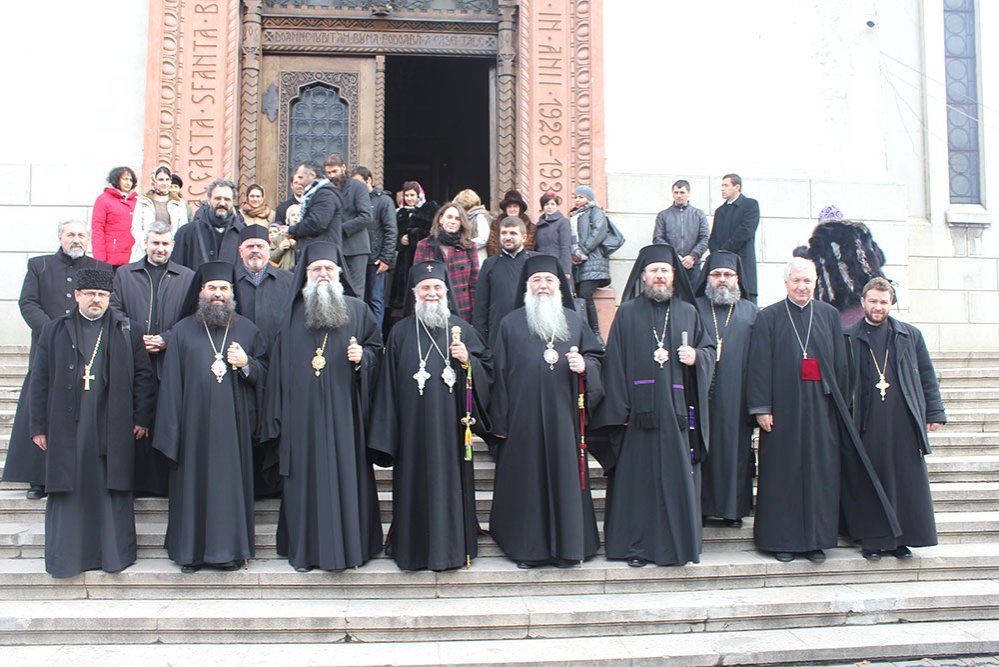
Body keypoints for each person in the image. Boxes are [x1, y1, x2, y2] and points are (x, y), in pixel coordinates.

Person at [747, 257, 899, 563]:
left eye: (807, 281)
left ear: (816, 283)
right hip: (782, 409)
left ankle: (816, 540)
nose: (802, 287)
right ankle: (782, 540)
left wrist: (840, 404)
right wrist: (761, 407)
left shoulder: (829, 315)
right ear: (786, 283)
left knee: (820, 475)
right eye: (796, 281)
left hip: (822, 408)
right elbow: (759, 365)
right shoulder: (769, 316)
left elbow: (841, 365)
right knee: (783, 474)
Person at [260, 243, 383, 572]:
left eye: (329, 269)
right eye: (317, 269)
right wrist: (278, 421)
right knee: (304, 486)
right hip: (301, 422)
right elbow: (276, 372)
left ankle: (352, 550)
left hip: (346, 419)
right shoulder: (290, 318)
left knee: (347, 480)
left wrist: (364, 360)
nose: (324, 274)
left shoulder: (357, 311)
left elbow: (378, 353)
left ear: (340, 274)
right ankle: (306, 552)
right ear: (306, 276)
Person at [28, 268, 156, 578]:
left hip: (113, 424)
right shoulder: (54, 330)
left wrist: (141, 417)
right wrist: (37, 426)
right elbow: (39, 378)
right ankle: (69, 556)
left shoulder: (128, 329)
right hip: (66, 425)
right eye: (89, 294)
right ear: (77, 296)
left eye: (102, 295)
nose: (96, 300)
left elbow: (144, 377)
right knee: (69, 487)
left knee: (109, 487)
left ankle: (112, 554)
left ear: (110, 298)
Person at [592, 245, 714, 567]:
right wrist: (622, 412)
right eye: (653, 270)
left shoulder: (688, 312)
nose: (659, 275)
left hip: (675, 418)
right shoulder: (628, 312)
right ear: (643, 275)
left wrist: (697, 358)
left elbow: (709, 351)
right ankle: (636, 548)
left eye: (665, 270)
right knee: (638, 486)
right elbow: (613, 363)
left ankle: (675, 548)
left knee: (675, 485)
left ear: (674, 276)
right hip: (637, 419)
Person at [368, 261, 492, 571]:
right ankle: (412, 552)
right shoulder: (399, 332)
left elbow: (488, 372)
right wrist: (389, 435)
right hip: (412, 433)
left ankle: (452, 551)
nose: (432, 293)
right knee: (413, 487)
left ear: (446, 292)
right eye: (425, 288)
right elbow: (386, 386)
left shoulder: (462, 329)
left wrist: (468, 363)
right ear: (414, 294)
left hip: (451, 432)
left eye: (437, 287)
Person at [489, 254, 604, 568]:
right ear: (527, 287)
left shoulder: (575, 320)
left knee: (566, 478)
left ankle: (569, 547)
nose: (543, 286)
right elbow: (497, 374)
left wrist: (586, 367)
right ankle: (527, 549)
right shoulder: (510, 323)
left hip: (564, 419)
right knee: (526, 482)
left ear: (560, 285)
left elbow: (597, 360)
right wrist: (500, 422)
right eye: (536, 280)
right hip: (521, 421)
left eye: (549, 280)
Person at [153, 262, 268, 573]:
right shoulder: (182, 330)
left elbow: (265, 375)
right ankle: (189, 553)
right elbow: (171, 382)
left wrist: (247, 364)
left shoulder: (248, 329)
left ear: (232, 293)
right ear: (201, 293)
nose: (218, 294)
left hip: (233, 428)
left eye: (224, 289)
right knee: (192, 489)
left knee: (228, 490)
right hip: (192, 428)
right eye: (212, 288)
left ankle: (230, 552)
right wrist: (171, 430)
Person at [4, 220, 111, 500]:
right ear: (60, 237)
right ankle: (38, 478)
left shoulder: (101, 268)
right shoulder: (39, 265)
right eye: (71, 234)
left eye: (81, 235)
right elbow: (28, 302)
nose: (76, 239)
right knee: (41, 410)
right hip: (46, 350)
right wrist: (54, 331)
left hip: (89, 352)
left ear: (88, 239)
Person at [844, 277, 946, 560]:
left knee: (903, 481)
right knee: (871, 479)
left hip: (903, 420)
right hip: (866, 421)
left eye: (883, 302)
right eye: (873, 301)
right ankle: (873, 541)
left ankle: (902, 540)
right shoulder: (848, 337)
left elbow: (927, 375)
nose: (878, 307)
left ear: (891, 304)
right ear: (863, 302)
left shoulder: (909, 335)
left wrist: (934, 412)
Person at [110, 224, 195, 495]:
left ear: (172, 246)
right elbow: (114, 308)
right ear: (145, 244)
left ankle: (167, 484)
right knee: (136, 421)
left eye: (165, 244)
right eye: (155, 243)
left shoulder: (187, 277)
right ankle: (137, 484)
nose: (160, 248)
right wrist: (137, 337)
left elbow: (191, 315)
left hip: (171, 361)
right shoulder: (124, 274)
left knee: (168, 420)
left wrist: (167, 338)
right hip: (134, 360)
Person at [694, 251, 758, 527]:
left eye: (728, 275)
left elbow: (761, 360)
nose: (723, 280)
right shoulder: (693, 308)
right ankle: (702, 507)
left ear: (738, 280)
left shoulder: (751, 312)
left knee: (736, 452)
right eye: (717, 275)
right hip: (702, 395)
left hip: (738, 396)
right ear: (707, 278)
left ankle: (733, 510)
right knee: (703, 450)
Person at [472, 216, 535, 346]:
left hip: (529, 333)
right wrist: (481, 340)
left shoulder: (534, 263)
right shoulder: (489, 264)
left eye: (513, 233)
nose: (507, 237)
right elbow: (481, 306)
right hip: (498, 335)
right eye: (504, 233)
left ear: (524, 237)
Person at [414, 202, 479, 323]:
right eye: (449, 217)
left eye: (457, 219)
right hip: (433, 306)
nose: (453, 221)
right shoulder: (424, 245)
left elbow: (474, 283)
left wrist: (476, 315)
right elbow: (417, 281)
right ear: (440, 219)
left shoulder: (469, 247)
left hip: (462, 307)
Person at [351, 166, 397, 330]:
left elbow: (391, 230)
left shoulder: (383, 200)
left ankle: (375, 340)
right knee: (357, 299)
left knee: (376, 300)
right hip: (357, 257)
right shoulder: (353, 199)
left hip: (376, 259)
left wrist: (386, 257)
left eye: (358, 183)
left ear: (368, 180)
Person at [172, 178, 246, 269]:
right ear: (209, 200)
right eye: (217, 198)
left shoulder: (244, 235)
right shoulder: (186, 233)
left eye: (227, 199)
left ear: (233, 202)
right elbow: (176, 272)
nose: (222, 203)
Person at [326, 154, 373, 297]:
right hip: (333, 248)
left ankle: (356, 320)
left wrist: (339, 230)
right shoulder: (326, 188)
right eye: (328, 173)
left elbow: (366, 216)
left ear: (343, 168)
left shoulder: (358, 187)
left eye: (335, 171)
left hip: (356, 247)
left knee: (356, 292)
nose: (332, 176)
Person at [708, 173, 760, 303]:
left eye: (726, 185)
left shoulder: (750, 205)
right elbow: (713, 238)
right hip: (722, 264)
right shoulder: (720, 211)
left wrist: (724, 252)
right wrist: (717, 254)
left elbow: (745, 232)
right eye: (722, 185)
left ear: (737, 187)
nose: (722, 189)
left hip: (743, 262)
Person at [388, 181, 438, 313]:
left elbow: (432, 233)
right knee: (405, 292)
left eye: (412, 195)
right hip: (404, 258)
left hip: (422, 256)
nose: (409, 199)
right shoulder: (400, 213)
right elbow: (393, 233)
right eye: (407, 195)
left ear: (418, 195)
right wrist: (400, 240)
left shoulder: (429, 210)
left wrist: (411, 236)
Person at [570, 185, 610, 340]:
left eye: (581, 197)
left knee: (586, 294)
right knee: (580, 296)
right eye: (576, 197)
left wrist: (583, 251)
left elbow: (598, 232)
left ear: (589, 198)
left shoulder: (596, 212)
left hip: (593, 261)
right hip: (579, 263)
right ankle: (584, 332)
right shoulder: (576, 215)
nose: (578, 200)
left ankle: (596, 334)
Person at [653, 179, 709, 284]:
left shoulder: (699, 214)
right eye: (676, 192)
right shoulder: (663, 215)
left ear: (689, 194)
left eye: (682, 192)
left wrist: (693, 256)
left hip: (693, 266)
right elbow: (657, 238)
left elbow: (705, 238)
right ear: (672, 194)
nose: (679, 195)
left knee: (694, 298)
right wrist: (674, 255)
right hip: (671, 265)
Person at [130, 166, 189, 262]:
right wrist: (147, 245)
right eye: (161, 179)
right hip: (145, 251)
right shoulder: (143, 201)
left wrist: (170, 247)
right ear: (154, 181)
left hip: (170, 251)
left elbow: (182, 228)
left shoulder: (178, 203)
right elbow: (136, 227)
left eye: (167, 179)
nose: (164, 183)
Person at [286, 161, 343, 260]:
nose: (298, 182)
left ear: (312, 175)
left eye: (300, 177)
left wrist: (292, 230)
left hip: (322, 252)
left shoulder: (325, 195)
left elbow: (316, 223)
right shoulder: (313, 194)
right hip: (314, 249)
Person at [91, 166, 139, 268]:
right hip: (111, 259)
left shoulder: (137, 202)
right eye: (125, 179)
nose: (128, 183)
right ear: (116, 180)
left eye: (130, 180)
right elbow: (97, 229)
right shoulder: (103, 199)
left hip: (133, 258)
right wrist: (100, 260)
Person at [534, 190, 573, 285]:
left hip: (557, 265)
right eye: (547, 204)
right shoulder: (538, 225)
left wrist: (566, 270)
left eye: (553, 204)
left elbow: (566, 246)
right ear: (543, 207)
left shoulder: (563, 222)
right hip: (541, 265)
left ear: (556, 206)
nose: (550, 207)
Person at [486, 189, 536, 257]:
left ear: (520, 208)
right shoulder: (496, 224)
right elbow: (491, 244)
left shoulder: (530, 226)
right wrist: (500, 258)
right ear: (505, 209)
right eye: (509, 207)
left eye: (515, 206)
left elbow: (528, 246)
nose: (512, 209)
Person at [452, 188, 491, 265]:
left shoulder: (479, 215)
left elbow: (483, 238)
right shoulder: (471, 216)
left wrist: (464, 245)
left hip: (479, 256)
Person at [269, 205, 299, 271]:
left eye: (298, 215)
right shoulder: (278, 238)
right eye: (293, 215)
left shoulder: (305, 237)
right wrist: (280, 249)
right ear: (288, 218)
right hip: (282, 274)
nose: (296, 217)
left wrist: (295, 245)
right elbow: (270, 258)